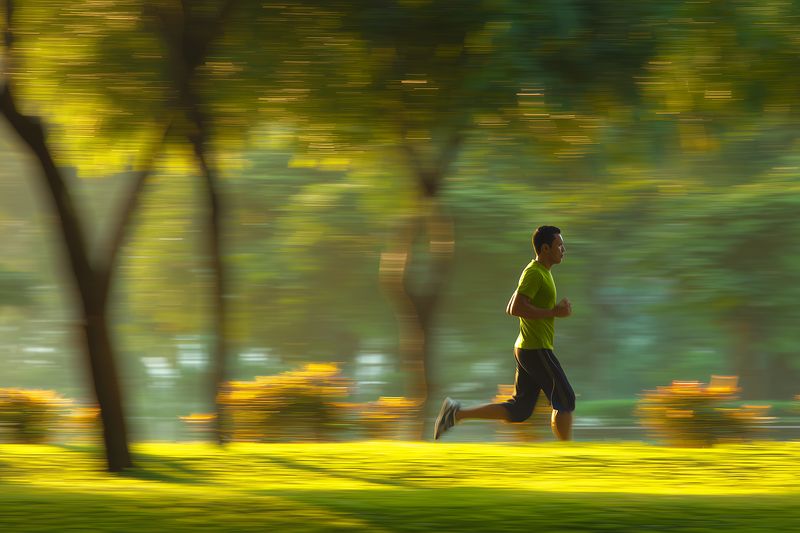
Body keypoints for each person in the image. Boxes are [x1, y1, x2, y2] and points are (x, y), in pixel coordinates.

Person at [434, 225, 575, 441]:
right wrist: (554, 311)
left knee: (520, 409)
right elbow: (515, 308)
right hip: (535, 347)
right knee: (565, 399)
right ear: (545, 248)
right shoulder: (535, 273)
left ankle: (456, 413)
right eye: (559, 245)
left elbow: (513, 302)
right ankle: (567, 453)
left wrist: (552, 311)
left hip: (528, 347)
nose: (563, 249)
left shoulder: (539, 272)